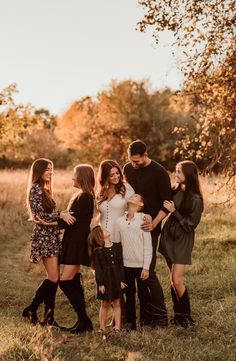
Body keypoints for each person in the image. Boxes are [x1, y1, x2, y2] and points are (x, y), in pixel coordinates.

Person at [34, 164, 95, 333]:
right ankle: (83, 323)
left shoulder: (85, 197)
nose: (72, 178)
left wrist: (45, 222)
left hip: (76, 243)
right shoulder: (81, 195)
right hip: (72, 241)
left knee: (66, 281)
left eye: (75, 175)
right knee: (74, 280)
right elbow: (67, 220)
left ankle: (84, 320)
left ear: (81, 177)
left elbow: (69, 220)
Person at [123, 140, 172, 327]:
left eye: (137, 161)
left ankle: (161, 317)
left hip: (148, 229)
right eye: (131, 161)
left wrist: (154, 225)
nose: (134, 165)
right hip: (130, 229)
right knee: (133, 273)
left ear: (145, 155)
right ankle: (145, 316)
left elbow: (166, 204)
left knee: (148, 273)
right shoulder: (127, 168)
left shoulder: (159, 173)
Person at [22, 158, 75, 326]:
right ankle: (32, 309)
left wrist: (63, 213)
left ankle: (48, 317)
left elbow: (46, 216)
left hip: (51, 236)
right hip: (44, 237)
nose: (51, 172)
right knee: (53, 277)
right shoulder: (35, 189)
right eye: (47, 170)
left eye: (52, 169)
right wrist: (60, 215)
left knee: (54, 277)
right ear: (39, 171)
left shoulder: (44, 189)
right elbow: (39, 217)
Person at [159, 160, 203, 328]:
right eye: (175, 171)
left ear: (188, 175)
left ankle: (187, 318)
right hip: (169, 237)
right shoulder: (176, 189)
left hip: (182, 240)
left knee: (177, 280)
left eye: (179, 171)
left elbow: (190, 225)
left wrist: (174, 212)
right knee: (172, 279)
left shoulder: (196, 199)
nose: (175, 174)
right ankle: (178, 317)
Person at [114, 194, 152, 330]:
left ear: (141, 204)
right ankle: (130, 323)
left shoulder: (144, 219)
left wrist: (146, 267)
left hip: (141, 265)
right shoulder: (119, 222)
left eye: (136, 196)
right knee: (129, 295)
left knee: (143, 295)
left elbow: (148, 245)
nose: (132, 196)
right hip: (126, 265)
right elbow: (117, 245)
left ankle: (145, 322)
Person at [88, 226, 126, 333]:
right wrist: (100, 284)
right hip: (105, 280)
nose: (106, 230)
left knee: (117, 303)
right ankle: (102, 327)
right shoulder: (98, 251)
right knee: (105, 304)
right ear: (100, 237)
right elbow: (98, 268)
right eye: (103, 231)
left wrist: (122, 280)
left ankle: (117, 326)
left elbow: (120, 265)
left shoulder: (117, 247)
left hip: (117, 278)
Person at [96, 160, 135, 243]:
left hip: (120, 237)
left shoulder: (126, 188)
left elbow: (135, 210)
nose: (116, 176)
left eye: (117, 173)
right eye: (111, 175)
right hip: (102, 237)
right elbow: (95, 214)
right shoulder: (101, 191)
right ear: (105, 176)